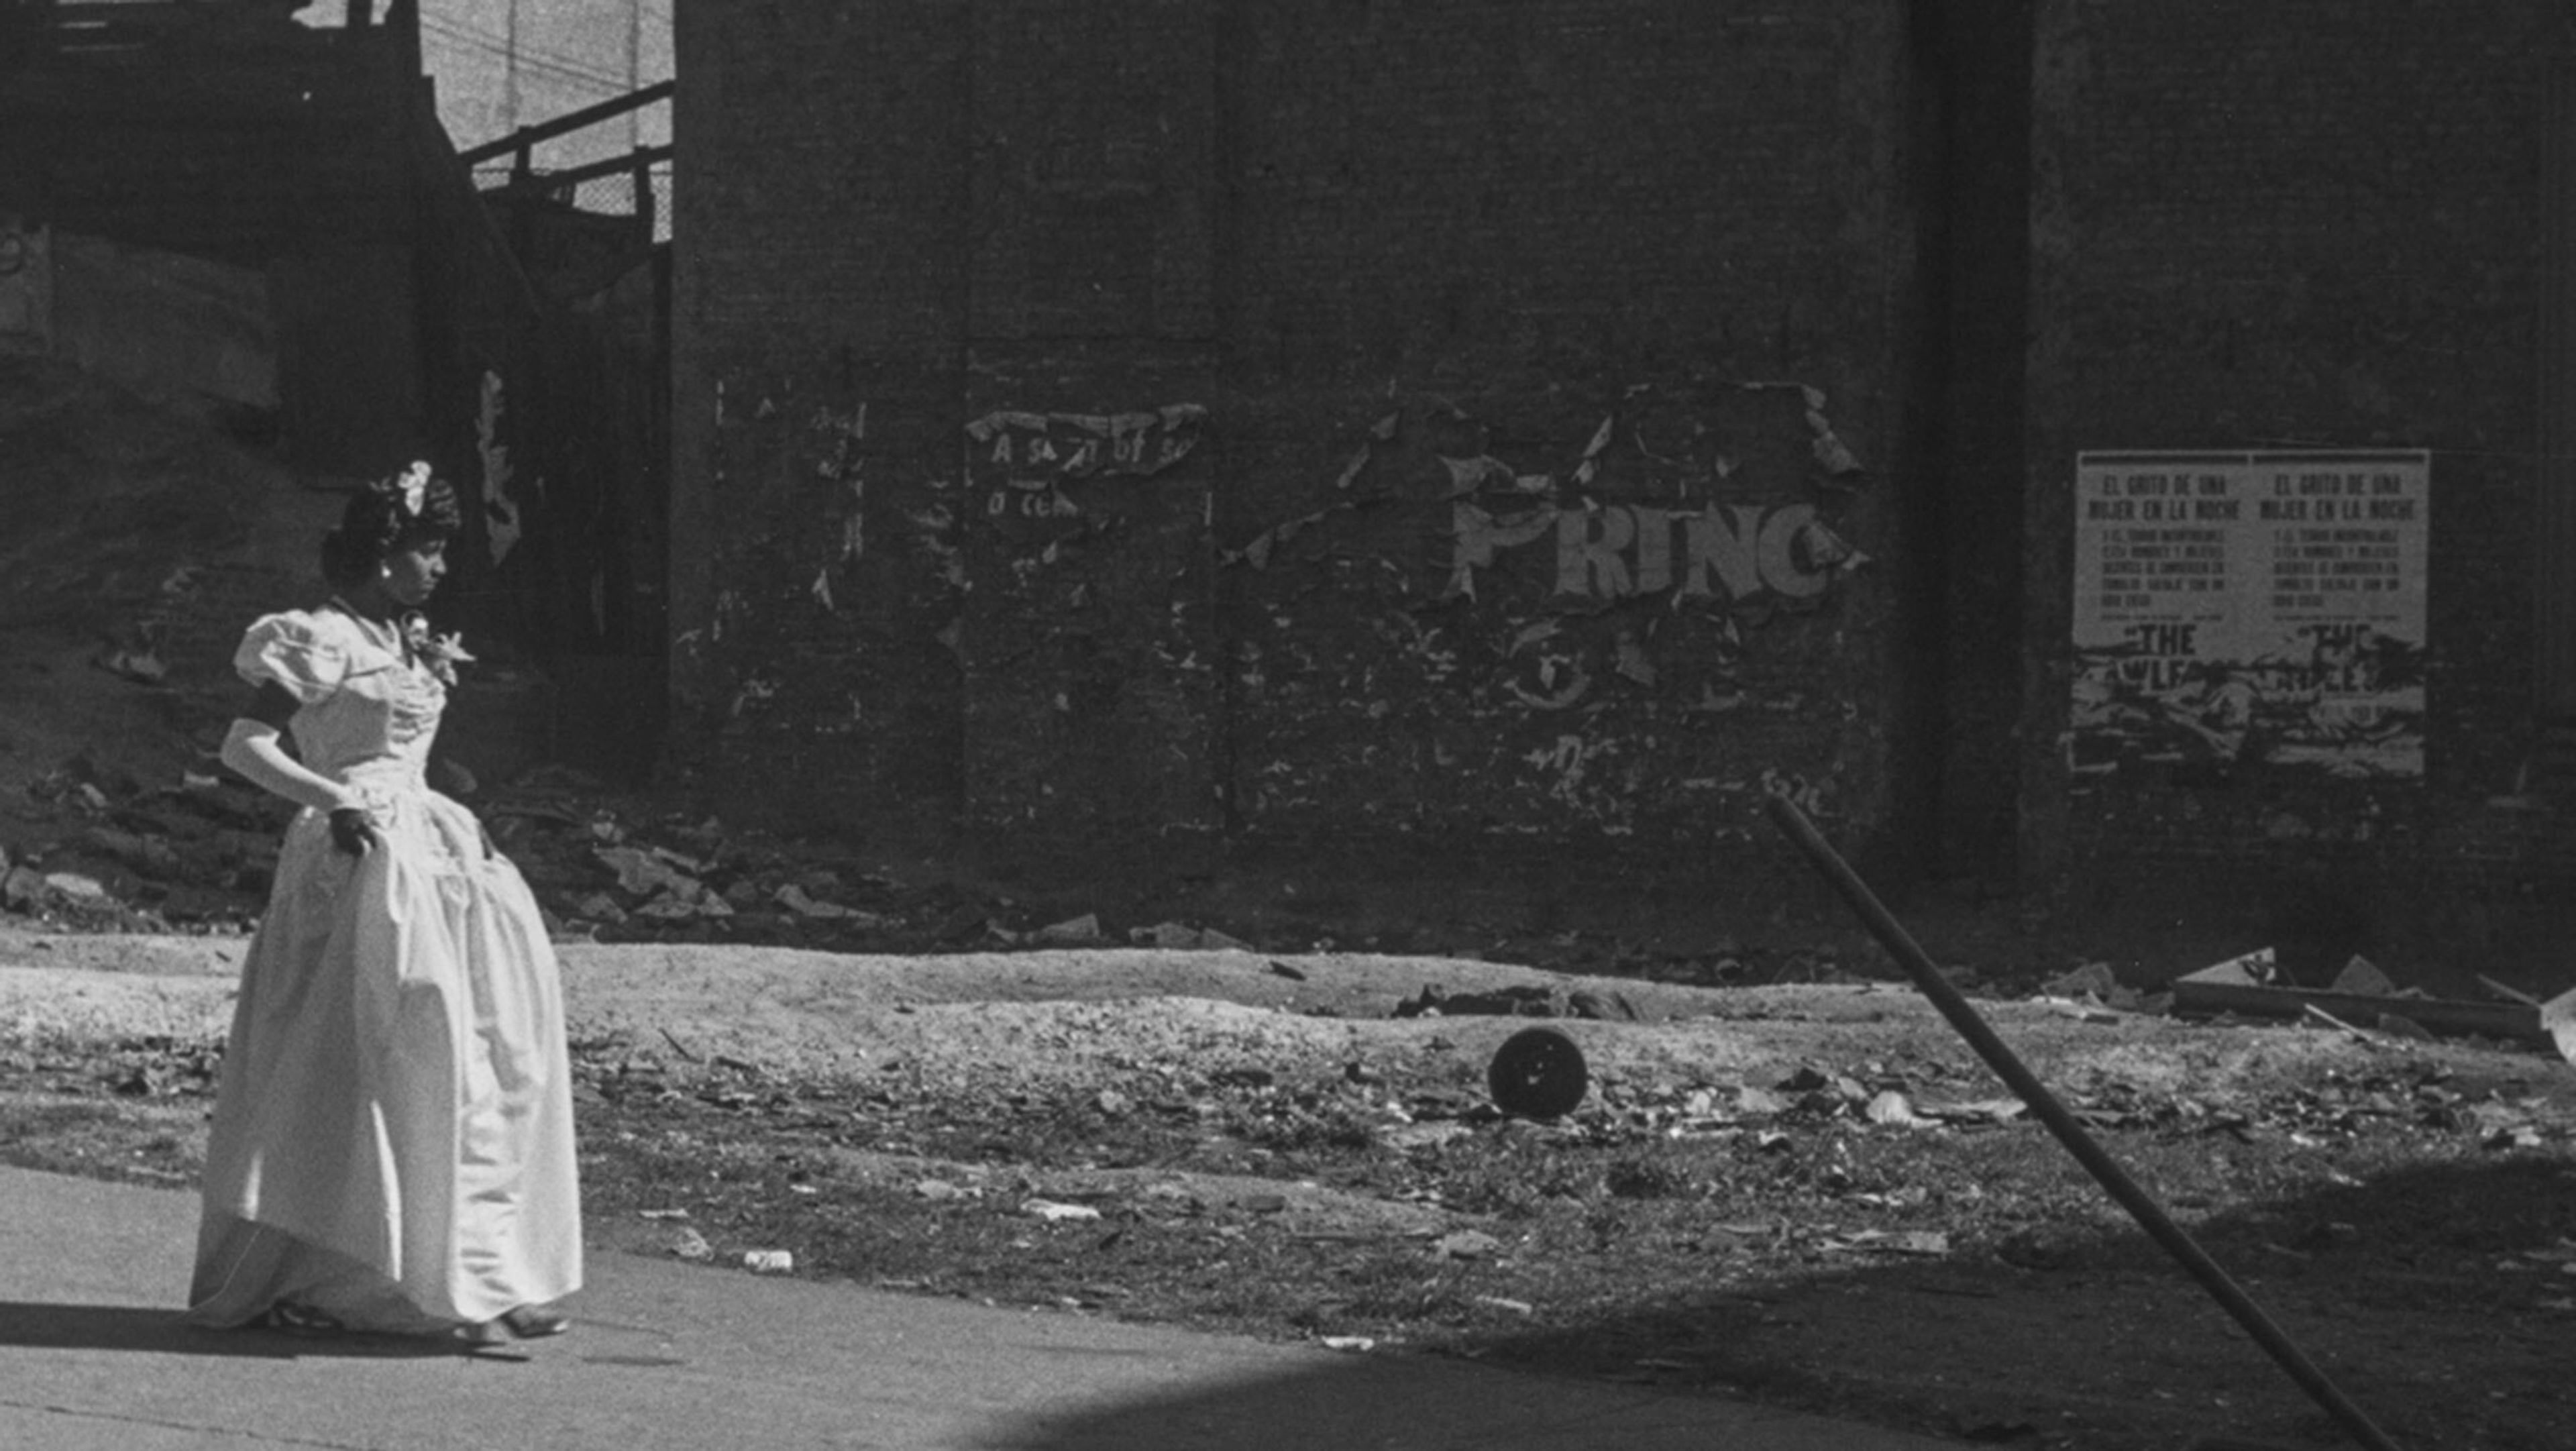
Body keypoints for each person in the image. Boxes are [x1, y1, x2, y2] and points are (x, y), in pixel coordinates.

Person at [184, 462, 581, 1345]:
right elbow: (244, 746)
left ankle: (481, 1269)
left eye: (441, 549)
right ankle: (363, 1272)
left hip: (428, 847)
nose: (439, 566)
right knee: (379, 1055)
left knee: (487, 1044)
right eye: (426, 548)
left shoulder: (406, 636)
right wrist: (334, 801)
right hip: (356, 853)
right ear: (381, 552)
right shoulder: (318, 636)